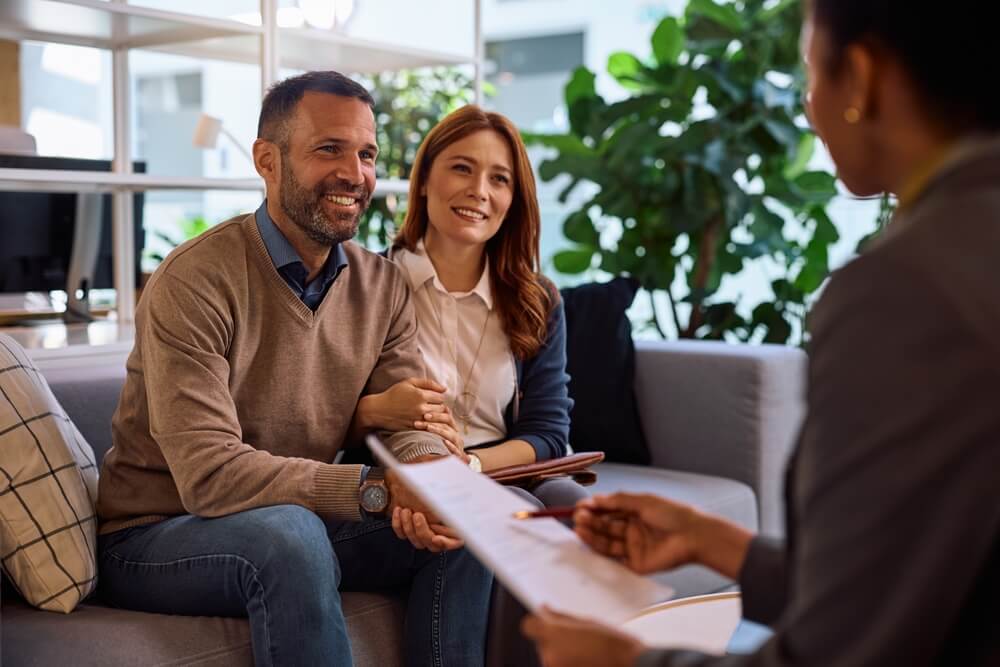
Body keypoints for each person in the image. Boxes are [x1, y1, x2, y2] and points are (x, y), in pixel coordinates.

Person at [522, 0, 1000, 665]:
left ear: (860, 77)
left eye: (810, 72)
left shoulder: (908, 292)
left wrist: (621, 660)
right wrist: (714, 540)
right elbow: (918, 580)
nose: (808, 107)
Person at [95, 71, 493, 666]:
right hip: (157, 532)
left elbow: (407, 422)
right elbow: (210, 476)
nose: (354, 174)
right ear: (267, 160)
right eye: (328, 149)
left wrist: (431, 474)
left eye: (366, 154)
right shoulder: (195, 281)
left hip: (289, 517)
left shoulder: (381, 284)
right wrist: (377, 490)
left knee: (470, 518)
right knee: (290, 535)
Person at [352, 105, 587, 509]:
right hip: (405, 481)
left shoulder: (538, 299)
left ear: (513, 199)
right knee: (507, 508)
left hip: (497, 470)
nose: (479, 190)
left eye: (499, 179)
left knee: (575, 505)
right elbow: (319, 423)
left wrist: (472, 465)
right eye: (462, 168)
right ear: (424, 179)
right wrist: (376, 410)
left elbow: (548, 433)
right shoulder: (365, 283)